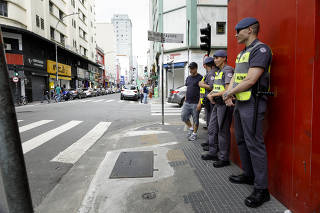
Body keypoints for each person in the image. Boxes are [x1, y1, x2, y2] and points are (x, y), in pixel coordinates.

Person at [223, 17, 272, 208]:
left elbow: (251, 79)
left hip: (253, 102)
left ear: (250, 29)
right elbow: (237, 76)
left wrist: (229, 92)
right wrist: (230, 94)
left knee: (254, 144)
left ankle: (262, 189)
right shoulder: (243, 52)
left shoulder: (261, 50)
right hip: (240, 103)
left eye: (238, 30)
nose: (235, 34)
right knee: (242, 140)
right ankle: (249, 174)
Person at [201, 50, 234, 168]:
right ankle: (213, 152)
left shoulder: (228, 70)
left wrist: (212, 95)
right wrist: (212, 95)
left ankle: (224, 158)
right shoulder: (219, 72)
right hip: (217, 104)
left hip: (224, 104)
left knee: (223, 131)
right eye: (214, 58)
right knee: (212, 127)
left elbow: (227, 90)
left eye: (217, 58)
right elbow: (216, 88)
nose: (215, 60)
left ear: (224, 58)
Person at [181, 62, 203, 141]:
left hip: (195, 103)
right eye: (190, 68)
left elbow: (202, 91)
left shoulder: (200, 78)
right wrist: (186, 98)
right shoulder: (188, 78)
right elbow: (188, 88)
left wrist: (200, 103)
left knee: (195, 120)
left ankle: (194, 134)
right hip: (187, 102)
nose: (191, 70)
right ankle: (190, 128)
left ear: (196, 68)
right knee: (183, 117)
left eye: (192, 68)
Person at [198, 57, 216, 149]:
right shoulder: (208, 73)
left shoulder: (211, 73)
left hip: (211, 101)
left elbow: (212, 87)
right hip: (208, 101)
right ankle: (210, 141)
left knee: (211, 123)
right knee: (209, 122)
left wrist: (201, 84)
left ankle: (211, 143)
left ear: (205, 65)